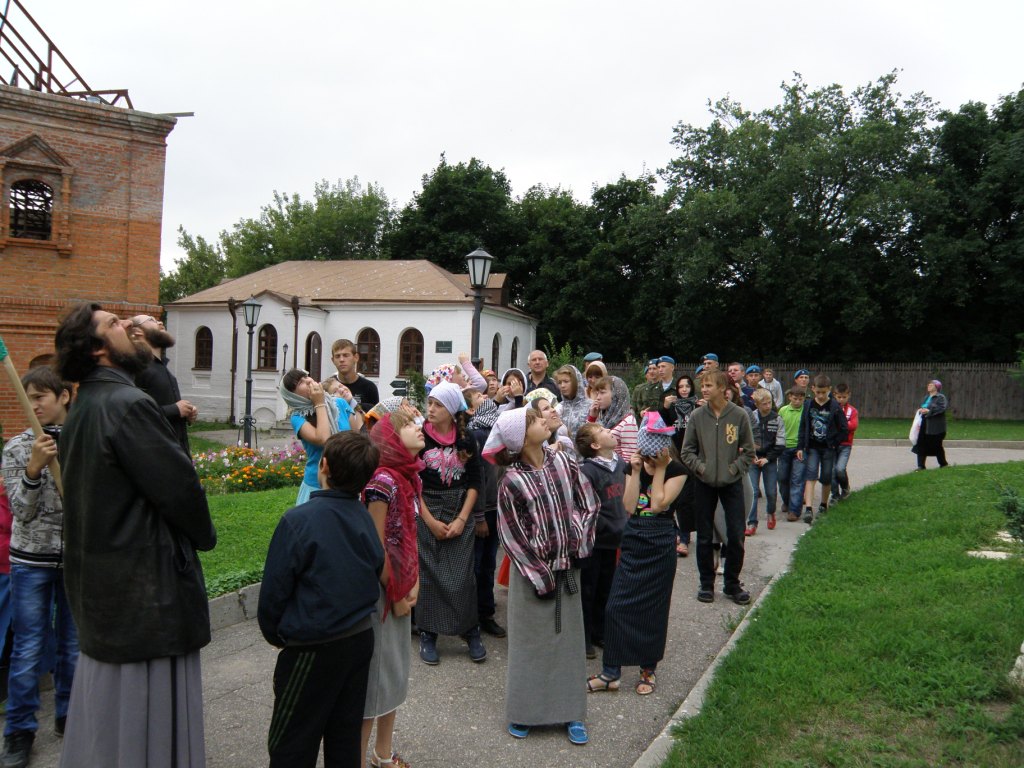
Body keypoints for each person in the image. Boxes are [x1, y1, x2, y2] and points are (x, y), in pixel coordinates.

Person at [54, 302, 216, 768]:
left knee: (111, 722)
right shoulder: (127, 405)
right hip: (145, 596)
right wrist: (203, 536)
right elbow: (180, 489)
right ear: (97, 348)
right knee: (144, 722)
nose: (127, 325)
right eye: (113, 324)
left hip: (107, 589)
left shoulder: (87, 403)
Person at [258, 431, 384, 768]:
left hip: (312, 648)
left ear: (323, 465)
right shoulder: (364, 517)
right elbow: (375, 565)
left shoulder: (298, 521)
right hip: (359, 639)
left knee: (292, 741)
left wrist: (279, 635)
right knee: (345, 738)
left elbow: (273, 593)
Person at [485, 408, 599, 745]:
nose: (543, 422)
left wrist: (576, 541)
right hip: (532, 575)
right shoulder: (510, 481)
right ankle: (525, 711)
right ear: (520, 438)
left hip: (569, 569)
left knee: (568, 646)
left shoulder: (565, 462)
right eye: (535, 421)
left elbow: (588, 504)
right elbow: (512, 535)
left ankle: (572, 712)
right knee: (530, 646)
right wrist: (540, 573)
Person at [1, 368, 79, 767]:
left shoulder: (84, 442)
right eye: (28, 398)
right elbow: (20, 512)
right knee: (29, 647)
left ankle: (69, 715)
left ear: (64, 397)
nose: (33, 405)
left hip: (76, 561)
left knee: (73, 644)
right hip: (31, 561)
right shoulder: (17, 448)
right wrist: (34, 469)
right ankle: (18, 730)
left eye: (41, 397)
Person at [587, 443, 684, 698]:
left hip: (660, 539)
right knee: (616, 606)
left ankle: (647, 669)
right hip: (634, 538)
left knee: (653, 609)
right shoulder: (634, 466)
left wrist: (661, 469)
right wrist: (637, 471)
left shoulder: (677, 469)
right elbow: (629, 506)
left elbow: (657, 506)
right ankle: (611, 673)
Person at [360, 412, 423, 768]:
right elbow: (376, 544)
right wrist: (398, 592)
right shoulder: (382, 480)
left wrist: (415, 581)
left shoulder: (407, 476)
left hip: (402, 586)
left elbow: (411, 538)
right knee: (374, 683)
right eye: (409, 424)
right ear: (392, 439)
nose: (419, 426)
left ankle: (383, 754)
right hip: (383, 593)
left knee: (395, 674)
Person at [416, 382, 485, 665]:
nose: (431, 409)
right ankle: (428, 632)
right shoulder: (419, 437)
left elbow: (475, 481)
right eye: (430, 403)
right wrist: (429, 520)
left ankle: (470, 630)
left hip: (458, 508)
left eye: (438, 405)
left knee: (462, 576)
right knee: (429, 574)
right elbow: (412, 482)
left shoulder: (466, 440)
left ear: (452, 410)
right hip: (427, 509)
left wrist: (462, 518)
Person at [681, 370, 755, 605]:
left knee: (735, 535)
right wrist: (701, 468)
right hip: (704, 483)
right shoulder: (696, 416)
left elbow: (749, 452)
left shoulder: (739, 415)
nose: (703, 389)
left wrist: (733, 469)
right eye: (702, 385)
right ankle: (706, 584)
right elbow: (687, 451)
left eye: (709, 385)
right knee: (704, 537)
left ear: (723, 388)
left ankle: (732, 584)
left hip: (732, 483)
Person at [574, 424, 627, 660]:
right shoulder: (588, 471)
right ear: (595, 445)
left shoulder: (621, 464)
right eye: (603, 431)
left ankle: (600, 630)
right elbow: (587, 508)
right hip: (595, 541)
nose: (609, 431)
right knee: (588, 589)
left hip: (615, 538)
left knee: (606, 588)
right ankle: (583, 636)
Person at [281, 368, 361, 504]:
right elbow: (324, 439)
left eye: (307, 376)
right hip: (316, 485)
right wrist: (319, 403)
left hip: (345, 480)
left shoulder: (338, 403)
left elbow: (356, 438)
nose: (308, 380)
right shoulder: (298, 417)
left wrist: (352, 402)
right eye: (301, 382)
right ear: (293, 396)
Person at [130, 314, 197, 455]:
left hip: (175, 452)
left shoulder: (161, 367)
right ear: (137, 332)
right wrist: (175, 409)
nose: (160, 322)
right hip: (155, 456)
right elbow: (134, 415)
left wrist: (186, 413)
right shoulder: (137, 368)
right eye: (151, 320)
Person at [797, 374, 848, 524]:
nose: (820, 395)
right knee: (811, 475)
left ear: (829, 390)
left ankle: (823, 505)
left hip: (827, 448)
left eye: (823, 392)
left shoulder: (834, 406)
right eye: (817, 392)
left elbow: (844, 428)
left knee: (826, 477)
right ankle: (808, 508)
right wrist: (800, 446)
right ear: (812, 389)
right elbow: (803, 426)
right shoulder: (808, 405)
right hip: (811, 447)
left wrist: (834, 443)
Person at [745, 388, 786, 536]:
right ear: (756, 404)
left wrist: (768, 458)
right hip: (753, 459)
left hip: (769, 459)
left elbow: (781, 444)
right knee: (753, 491)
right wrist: (751, 454)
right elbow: (746, 438)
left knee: (771, 492)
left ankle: (770, 512)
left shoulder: (777, 419)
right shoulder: (751, 417)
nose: (768, 406)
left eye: (769, 403)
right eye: (764, 404)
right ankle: (751, 522)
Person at [587, 376, 638, 463]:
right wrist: (592, 418)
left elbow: (630, 459)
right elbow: (587, 440)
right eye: (597, 393)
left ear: (616, 395)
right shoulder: (604, 417)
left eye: (602, 393)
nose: (598, 397)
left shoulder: (628, 421)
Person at [777, 387, 807, 522]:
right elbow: (777, 428)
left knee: (797, 479)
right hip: (784, 448)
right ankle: (787, 501)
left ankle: (794, 510)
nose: (797, 402)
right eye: (795, 399)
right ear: (789, 397)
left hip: (799, 449)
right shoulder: (783, 411)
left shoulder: (805, 411)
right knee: (783, 478)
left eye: (800, 399)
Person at [326, 338, 380, 410]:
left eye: (346, 355)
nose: (341, 360)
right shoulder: (329, 387)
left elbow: (375, 418)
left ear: (356, 357)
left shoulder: (369, 387)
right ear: (333, 360)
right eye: (337, 356)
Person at [830, 383, 859, 502]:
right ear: (834, 395)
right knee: (831, 471)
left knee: (840, 469)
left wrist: (840, 425)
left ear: (848, 396)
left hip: (845, 445)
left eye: (844, 397)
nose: (841, 400)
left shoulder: (852, 411)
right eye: (839, 397)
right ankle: (835, 495)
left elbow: (853, 425)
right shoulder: (831, 408)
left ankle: (845, 488)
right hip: (832, 444)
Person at [913, 380, 949, 470]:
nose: (929, 386)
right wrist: (921, 410)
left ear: (937, 387)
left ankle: (943, 464)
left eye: (931, 385)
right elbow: (923, 407)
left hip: (935, 425)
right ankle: (921, 466)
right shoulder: (926, 397)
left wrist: (929, 411)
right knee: (921, 443)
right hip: (924, 423)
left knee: (936, 445)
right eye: (928, 384)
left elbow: (942, 408)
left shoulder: (940, 397)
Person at [553, 365, 591, 441]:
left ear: (576, 382)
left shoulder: (590, 406)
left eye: (566, 381)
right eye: (559, 382)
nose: (562, 386)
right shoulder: (559, 407)